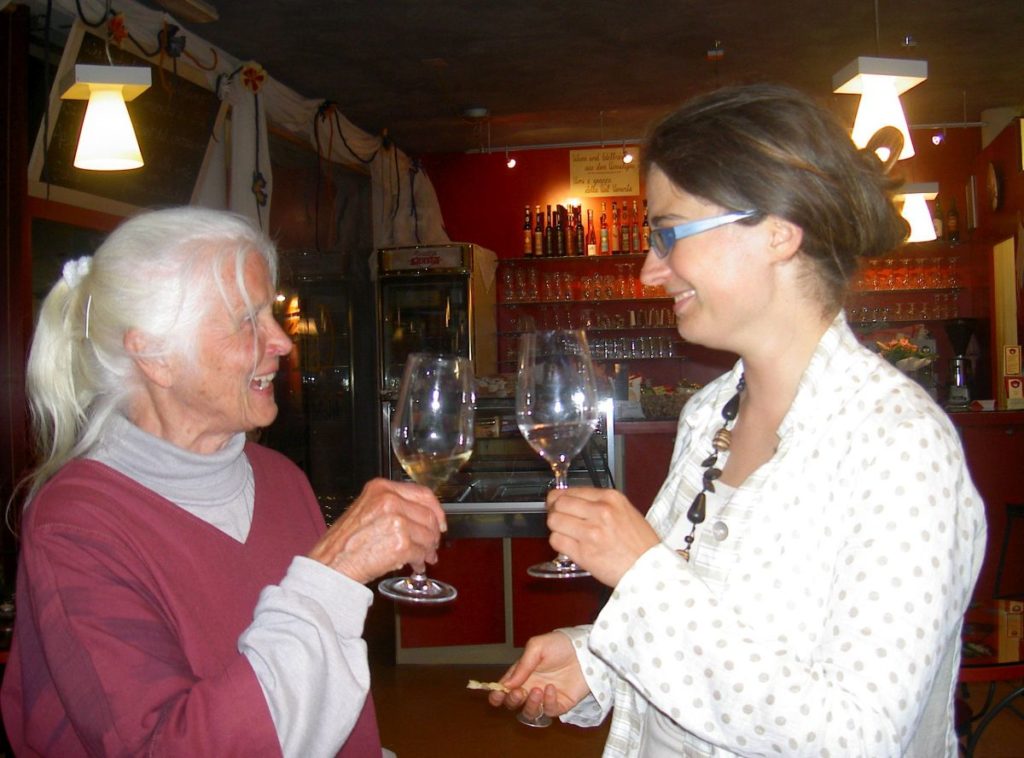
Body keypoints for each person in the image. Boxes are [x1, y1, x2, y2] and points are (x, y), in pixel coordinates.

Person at [489, 83, 987, 757]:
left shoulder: (899, 446)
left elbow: (856, 737)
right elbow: (721, 629)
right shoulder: (708, 413)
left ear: (779, 231)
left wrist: (640, 574)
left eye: (668, 233)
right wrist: (594, 661)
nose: (649, 269)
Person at [1, 207, 447, 756]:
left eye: (272, 314)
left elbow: (328, 710)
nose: (282, 341)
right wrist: (334, 572)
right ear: (154, 355)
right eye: (248, 320)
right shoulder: (74, 524)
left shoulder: (280, 479)